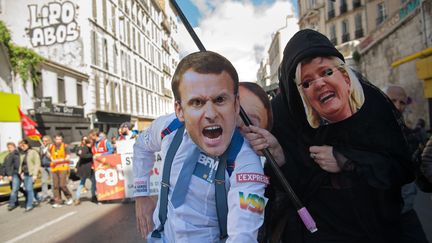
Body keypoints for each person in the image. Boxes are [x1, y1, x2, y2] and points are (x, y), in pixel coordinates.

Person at [244, 29, 414, 243]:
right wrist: (280, 156)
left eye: (326, 72)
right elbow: (286, 187)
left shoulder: (369, 104)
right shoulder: (284, 114)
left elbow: (401, 169)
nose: (319, 83)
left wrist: (345, 159)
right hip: (313, 232)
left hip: (375, 227)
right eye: (306, 82)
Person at [133, 51, 266, 242]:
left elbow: (243, 235)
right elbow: (141, 146)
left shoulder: (246, 161)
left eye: (220, 100)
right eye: (197, 102)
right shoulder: (167, 128)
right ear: (180, 110)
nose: (210, 113)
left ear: (236, 105)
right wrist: (141, 195)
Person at [383, 85, 428, 243]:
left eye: (402, 102)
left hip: (406, 212)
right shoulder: (368, 132)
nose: (397, 106)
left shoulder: (411, 135)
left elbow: (420, 175)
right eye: (393, 100)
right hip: (380, 216)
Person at [48, 133, 73, 208]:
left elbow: (68, 157)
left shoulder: (65, 146)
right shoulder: (51, 146)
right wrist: (48, 155)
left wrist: (60, 160)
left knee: (62, 185)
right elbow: (49, 155)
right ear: (54, 139)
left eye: (60, 139)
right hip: (54, 168)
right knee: (55, 186)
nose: (59, 140)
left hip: (63, 167)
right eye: (57, 139)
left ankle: (69, 197)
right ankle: (58, 201)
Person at [89, 129, 114, 203]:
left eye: (91, 137)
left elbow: (111, 150)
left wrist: (101, 155)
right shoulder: (93, 144)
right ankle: (101, 197)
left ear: (94, 135)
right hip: (96, 166)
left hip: (105, 166)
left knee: (105, 182)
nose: (90, 138)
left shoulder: (105, 142)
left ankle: (109, 197)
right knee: (97, 183)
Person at [17, 139, 41, 212]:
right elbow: (22, 164)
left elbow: (37, 163)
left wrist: (35, 175)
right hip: (25, 174)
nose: (22, 147)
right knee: (28, 188)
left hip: (31, 173)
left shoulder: (33, 152)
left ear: (27, 144)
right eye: (21, 146)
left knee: (29, 189)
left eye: (23, 145)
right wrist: (21, 172)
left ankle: (29, 205)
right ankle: (38, 198)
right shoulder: (22, 154)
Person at [74, 136, 94, 205]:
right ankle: (93, 196)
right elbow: (83, 155)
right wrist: (92, 155)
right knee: (93, 182)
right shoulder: (85, 148)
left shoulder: (85, 148)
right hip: (86, 168)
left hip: (84, 168)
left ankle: (77, 197)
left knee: (82, 183)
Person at [1, 142, 21, 211]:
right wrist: (2, 174)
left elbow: (16, 166)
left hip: (14, 174)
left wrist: (10, 174)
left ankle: (11, 203)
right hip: (10, 175)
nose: (9, 149)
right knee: (14, 188)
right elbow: (4, 166)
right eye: (8, 147)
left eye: (10, 147)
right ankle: (16, 201)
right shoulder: (8, 156)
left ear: (14, 147)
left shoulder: (15, 154)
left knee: (14, 189)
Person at [39, 135, 53, 202]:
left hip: (51, 165)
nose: (44, 142)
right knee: (43, 181)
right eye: (43, 141)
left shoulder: (51, 147)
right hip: (44, 166)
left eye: (45, 141)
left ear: (49, 141)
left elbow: (53, 157)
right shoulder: (41, 147)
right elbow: (40, 156)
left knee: (52, 181)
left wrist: (48, 153)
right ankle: (45, 195)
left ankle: (53, 195)